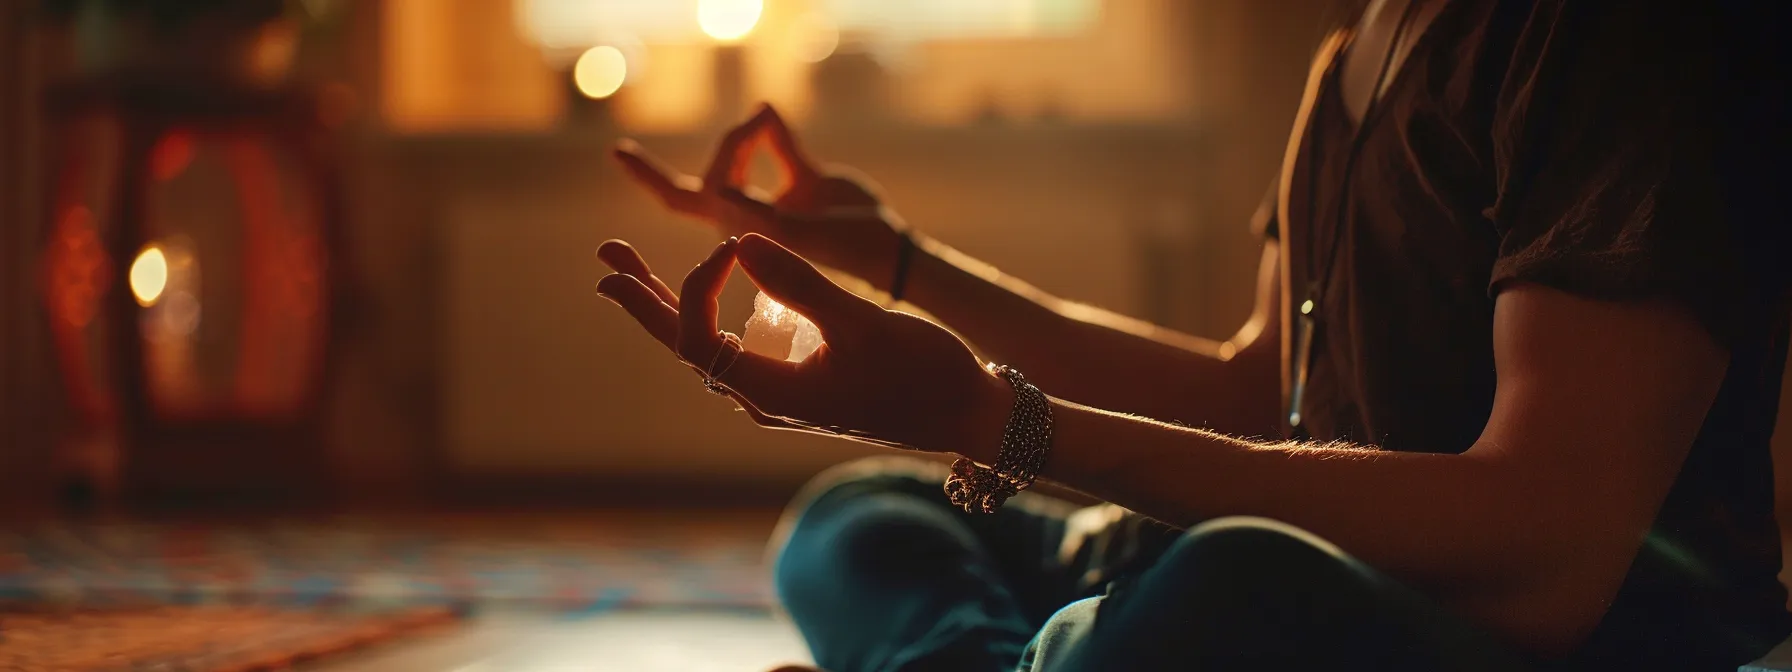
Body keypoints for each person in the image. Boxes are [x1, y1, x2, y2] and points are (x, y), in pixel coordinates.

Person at [592, 0, 1792, 669]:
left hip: (1531, 636)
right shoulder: (1352, 60)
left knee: (1222, 581)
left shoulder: (1627, 37)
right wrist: (897, 260)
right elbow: (1257, 391)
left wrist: (989, 421)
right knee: (856, 522)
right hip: (1291, 558)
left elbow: (1547, 555)